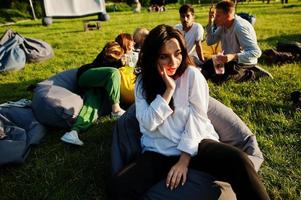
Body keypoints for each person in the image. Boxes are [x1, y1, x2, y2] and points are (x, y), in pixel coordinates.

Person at [110, 24, 270, 200]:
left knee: (238, 160)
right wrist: (168, 91)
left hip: (196, 145)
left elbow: (198, 118)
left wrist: (184, 160)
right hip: (158, 150)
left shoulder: (193, 75)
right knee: (119, 187)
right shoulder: (142, 83)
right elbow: (147, 123)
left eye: (177, 54)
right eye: (164, 57)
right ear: (153, 57)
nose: (173, 63)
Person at [60, 42, 126, 146]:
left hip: (96, 86)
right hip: (86, 75)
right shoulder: (106, 56)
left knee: (91, 107)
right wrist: (119, 62)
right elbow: (107, 63)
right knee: (113, 72)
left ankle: (73, 132)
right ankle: (116, 110)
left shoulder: (121, 60)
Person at [202, 0, 272, 83]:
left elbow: (256, 52)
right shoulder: (223, 26)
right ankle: (231, 72)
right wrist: (210, 21)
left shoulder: (239, 27)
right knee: (206, 67)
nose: (215, 19)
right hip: (229, 60)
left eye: (218, 16)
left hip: (243, 61)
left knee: (222, 80)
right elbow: (210, 41)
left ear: (228, 16)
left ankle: (255, 73)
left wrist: (233, 56)